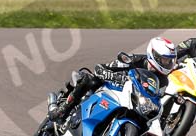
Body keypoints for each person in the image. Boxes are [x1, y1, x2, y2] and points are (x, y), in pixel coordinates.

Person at [49, 37, 177, 125]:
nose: (168, 64)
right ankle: (63, 109)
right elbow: (102, 68)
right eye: (165, 60)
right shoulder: (135, 60)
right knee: (90, 79)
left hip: (131, 100)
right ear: (153, 55)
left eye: (170, 61)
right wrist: (114, 76)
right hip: (110, 86)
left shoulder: (164, 80)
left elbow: (157, 98)